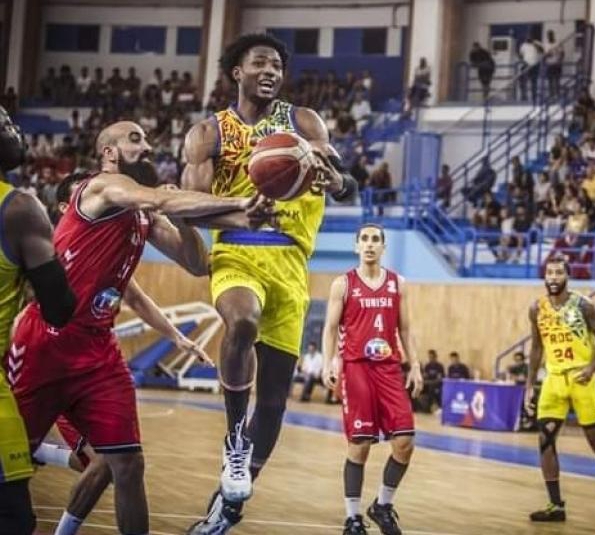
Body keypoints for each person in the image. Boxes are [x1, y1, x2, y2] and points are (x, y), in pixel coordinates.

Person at [8, 120, 260, 535]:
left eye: (147, 137)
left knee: (127, 463)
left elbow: (196, 263)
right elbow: (159, 199)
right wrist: (240, 205)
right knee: (12, 460)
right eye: (135, 138)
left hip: (98, 352)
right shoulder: (102, 187)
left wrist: (193, 217)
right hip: (47, 343)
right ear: (109, 152)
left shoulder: (143, 214)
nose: (147, 145)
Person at [182, 33, 358, 534]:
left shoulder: (304, 122)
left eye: (277, 65)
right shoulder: (208, 134)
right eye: (260, 62)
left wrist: (334, 180)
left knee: (276, 401)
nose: (271, 70)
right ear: (236, 71)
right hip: (238, 250)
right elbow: (192, 211)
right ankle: (235, 438)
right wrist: (240, 209)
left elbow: (347, 183)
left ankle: (227, 508)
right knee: (242, 323)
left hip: (292, 263)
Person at [30, 171, 211, 535]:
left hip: (91, 364)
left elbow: (135, 295)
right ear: (68, 207)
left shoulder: (112, 244)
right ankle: (36, 452)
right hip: (47, 355)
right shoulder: (50, 245)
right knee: (95, 463)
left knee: (117, 463)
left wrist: (176, 336)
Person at [0, 106, 76, 534]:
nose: (16, 130)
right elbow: (59, 308)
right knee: (14, 520)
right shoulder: (19, 208)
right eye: (5, 124)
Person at [321, 223, 423, 535]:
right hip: (356, 368)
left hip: (389, 368)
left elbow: (405, 329)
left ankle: (382, 505)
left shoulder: (398, 284)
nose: (369, 244)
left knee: (405, 442)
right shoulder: (343, 284)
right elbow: (329, 328)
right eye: (364, 239)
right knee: (360, 446)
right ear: (356, 247)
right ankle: (352, 518)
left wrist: (415, 364)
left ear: (383, 247)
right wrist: (328, 363)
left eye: (375, 239)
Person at [525, 254, 595, 522]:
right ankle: (556, 505)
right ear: (544, 276)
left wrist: (592, 367)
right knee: (545, 441)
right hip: (554, 378)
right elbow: (536, 347)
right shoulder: (537, 308)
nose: (554, 278)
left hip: (582, 377)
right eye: (550, 273)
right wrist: (529, 385)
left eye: (559, 273)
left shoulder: (583, 305)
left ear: (567, 276)